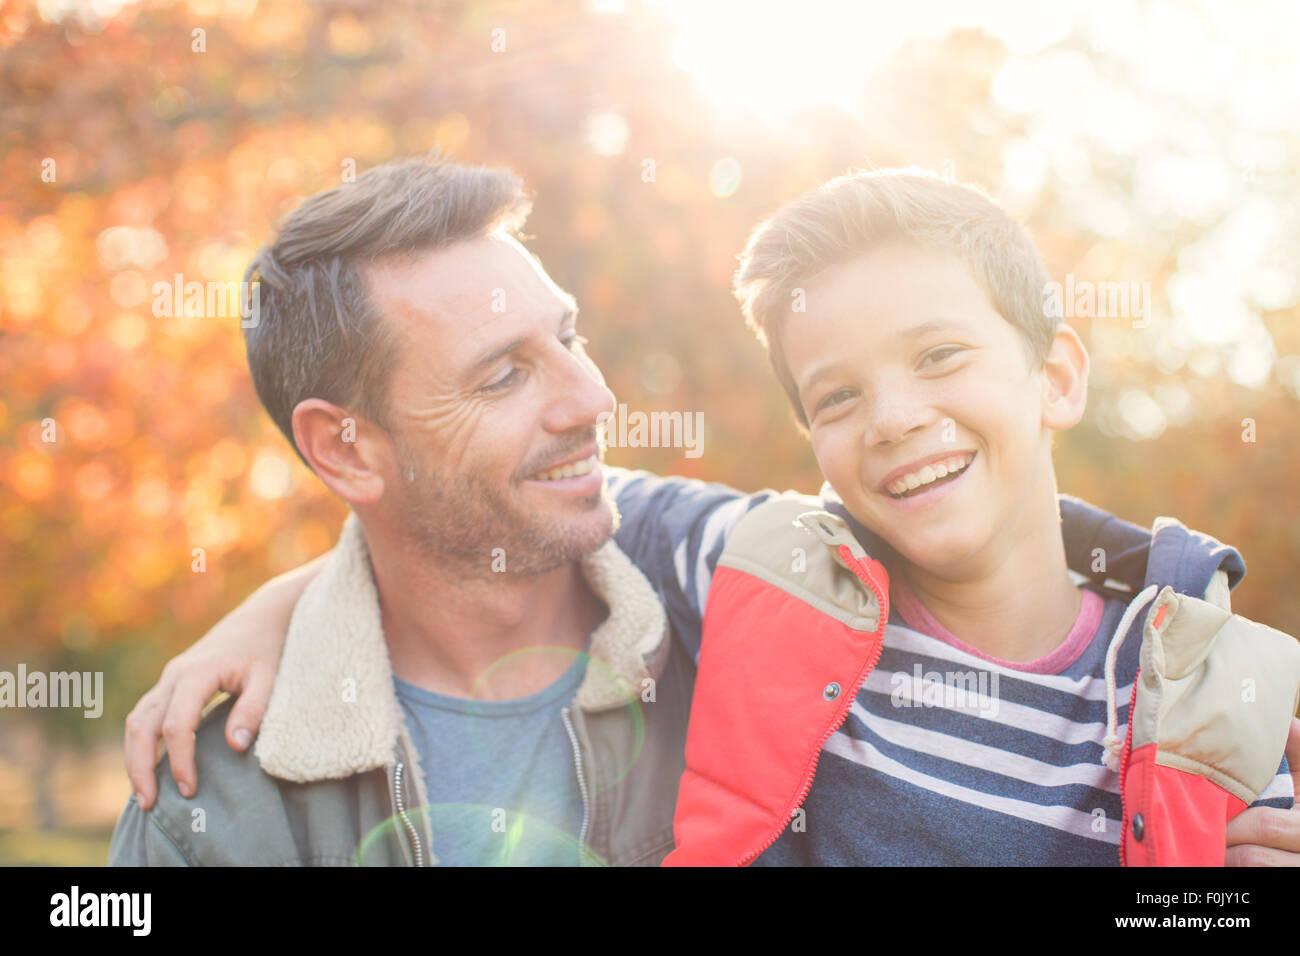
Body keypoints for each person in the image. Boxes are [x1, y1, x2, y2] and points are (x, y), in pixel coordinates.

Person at [117, 161, 1300, 866]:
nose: (592, 399)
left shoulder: (1217, 699)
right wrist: (292, 608)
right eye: (500, 375)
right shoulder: (214, 801)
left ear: (1056, 371)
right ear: (344, 449)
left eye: (569, 339)